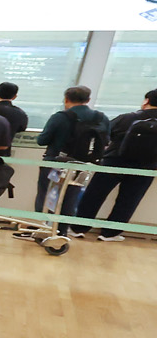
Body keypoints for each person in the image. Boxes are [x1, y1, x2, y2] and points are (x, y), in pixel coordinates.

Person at [66, 89, 157, 240]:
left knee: (94, 195)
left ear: (146, 101)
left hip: (114, 161)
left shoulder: (127, 118)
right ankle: (110, 234)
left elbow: (105, 134)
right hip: (146, 167)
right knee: (129, 200)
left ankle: (78, 228)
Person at [32, 85, 111, 213]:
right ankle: (62, 229)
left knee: (47, 196)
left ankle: (43, 227)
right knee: (71, 198)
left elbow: (42, 141)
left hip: (55, 162)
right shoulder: (101, 118)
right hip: (83, 165)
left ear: (66, 99)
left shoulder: (60, 117)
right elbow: (106, 141)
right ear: (88, 99)